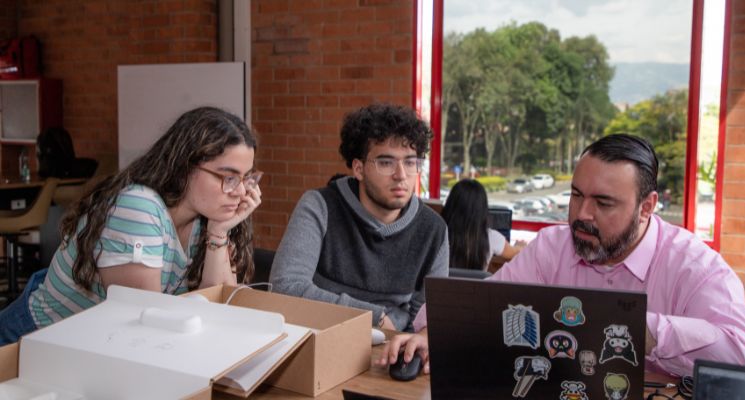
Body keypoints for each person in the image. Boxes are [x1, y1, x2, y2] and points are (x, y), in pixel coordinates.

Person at [378, 134, 745, 377]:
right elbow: (484, 305)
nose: (581, 215)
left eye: (603, 203)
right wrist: (433, 333)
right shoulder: (553, 247)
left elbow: (744, 359)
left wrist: (639, 328)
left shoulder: (695, 267)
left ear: (647, 207)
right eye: (576, 195)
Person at [0, 107, 262, 345]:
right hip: (30, 340)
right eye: (228, 177)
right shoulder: (138, 207)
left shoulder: (206, 218)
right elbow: (144, 330)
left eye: (246, 178)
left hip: (87, 345)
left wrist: (219, 232)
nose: (240, 192)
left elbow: (219, 309)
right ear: (185, 166)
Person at [270, 103, 448, 331]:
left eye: (410, 162)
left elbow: (425, 319)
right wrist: (375, 317)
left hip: (392, 347)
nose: (401, 175)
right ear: (358, 168)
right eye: (386, 162)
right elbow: (285, 286)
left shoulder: (433, 229)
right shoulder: (319, 206)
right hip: (321, 334)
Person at [441, 179, 520, 270]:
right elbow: (515, 253)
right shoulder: (491, 237)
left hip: (440, 285)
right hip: (476, 285)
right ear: (482, 210)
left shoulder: (438, 234)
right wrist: (520, 246)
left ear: (450, 205)